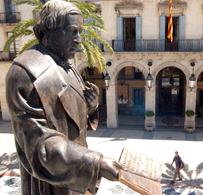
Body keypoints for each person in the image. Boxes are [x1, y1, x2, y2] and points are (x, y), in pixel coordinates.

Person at [5, 0, 120, 194]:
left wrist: (90, 107)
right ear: (46, 32)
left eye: (80, 32)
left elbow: (71, 121)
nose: (79, 39)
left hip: (76, 178)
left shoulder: (69, 66)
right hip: (51, 183)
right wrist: (95, 163)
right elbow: (39, 145)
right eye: (73, 31)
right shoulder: (24, 73)